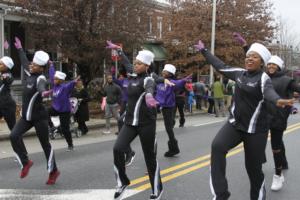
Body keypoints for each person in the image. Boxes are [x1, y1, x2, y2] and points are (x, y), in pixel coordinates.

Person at [194, 40, 294, 200]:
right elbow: (220, 65)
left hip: (256, 131)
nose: (249, 59)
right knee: (217, 146)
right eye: (248, 56)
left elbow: (269, 93)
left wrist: (277, 100)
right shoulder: (239, 73)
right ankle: (221, 194)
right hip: (235, 125)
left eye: (254, 57)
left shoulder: (264, 78)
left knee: (254, 171)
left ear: (262, 62)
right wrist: (204, 51)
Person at [233, 33, 299, 191]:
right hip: (261, 117)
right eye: (269, 65)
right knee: (259, 144)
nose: (270, 67)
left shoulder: (286, 80)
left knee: (276, 146)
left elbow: (296, 89)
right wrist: (245, 46)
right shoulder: (261, 77)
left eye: (273, 65)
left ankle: (278, 175)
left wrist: (291, 104)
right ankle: (263, 163)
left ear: (279, 67)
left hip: (277, 118)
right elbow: (254, 59)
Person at [106, 41, 163, 200]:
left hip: (146, 124)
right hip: (130, 123)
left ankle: (157, 189)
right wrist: (119, 51)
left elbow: (150, 87)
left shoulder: (148, 79)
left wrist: (150, 95)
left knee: (149, 158)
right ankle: (122, 182)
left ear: (147, 66)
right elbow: (126, 63)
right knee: (118, 148)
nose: (135, 65)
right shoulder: (133, 74)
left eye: (139, 64)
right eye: (135, 63)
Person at [10, 37, 60, 185]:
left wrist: (45, 93)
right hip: (26, 117)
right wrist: (19, 48)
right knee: (13, 136)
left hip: (39, 117)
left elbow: (42, 88)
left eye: (36, 65)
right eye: (33, 63)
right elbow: (25, 61)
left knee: (45, 145)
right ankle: (25, 162)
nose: (32, 65)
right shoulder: (29, 71)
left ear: (41, 68)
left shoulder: (40, 79)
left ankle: (53, 171)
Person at [155, 64, 190, 157]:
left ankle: (174, 148)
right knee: (168, 127)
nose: (163, 72)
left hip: (168, 107)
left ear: (170, 74)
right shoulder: (160, 81)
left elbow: (179, 83)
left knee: (169, 128)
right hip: (159, 106)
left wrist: (184, 80)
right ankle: (173, 148)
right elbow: (153, 76)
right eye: (163, 71)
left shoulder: (172, 82)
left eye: (165, 72)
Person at [48, 62, 79, 151]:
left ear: (61, 80)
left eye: (56, 79)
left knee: (65, 129)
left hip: (64, 111)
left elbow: (71, 84)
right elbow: (51, 74)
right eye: (54, 79)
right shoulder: (54, 86)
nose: (54, 80)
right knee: (45, 112)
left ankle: (70, 145)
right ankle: (51, 126)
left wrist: (74, 81)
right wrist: (51, 66)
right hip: (55, 108)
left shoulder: (65, 88)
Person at [0, 56, 17, 132]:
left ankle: (18, 143)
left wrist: (4, 77)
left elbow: (8, 78)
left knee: (13, 130)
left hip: (8, 106)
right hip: (1, 104)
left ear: (7, 67)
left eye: (1, 64)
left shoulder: (8, 75)